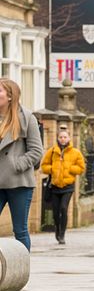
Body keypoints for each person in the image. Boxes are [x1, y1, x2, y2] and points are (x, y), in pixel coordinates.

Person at [0, 78, 42, 250]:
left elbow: (36, 151)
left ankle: (22, 269)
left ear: (10, 96)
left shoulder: (26, 118)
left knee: (20, 230)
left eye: (0, 90)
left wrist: (16, 165)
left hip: (19, 183)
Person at [40, 127, 85, 245]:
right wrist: (53, 169)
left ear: (69, 138)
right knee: (55, 211)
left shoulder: (75, 152)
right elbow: (44, 166)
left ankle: (62, 234)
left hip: (68, 185)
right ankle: (57, 229)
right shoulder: (52, 151)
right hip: (55, 186)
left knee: (64, 208)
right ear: (57, 138)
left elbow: (81, 168)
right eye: (61, 137)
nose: (63, 139)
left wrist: (70, 168)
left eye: (65, 137)